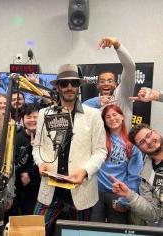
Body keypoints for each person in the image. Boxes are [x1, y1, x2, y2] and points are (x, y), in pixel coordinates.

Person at [33, 64, 107, 236]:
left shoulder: (93, 115)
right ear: (58, 86)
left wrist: (85, 171)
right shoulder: (44, 113)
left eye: (73, 83)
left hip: (80, 187)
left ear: (78, 86)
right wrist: (40, 163)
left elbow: (100, 151)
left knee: (77, 234)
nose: (69, 88)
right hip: (50, 188)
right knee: (36, 232)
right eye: (64, 84)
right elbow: (37, 147)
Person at [90, 104, 143, 224]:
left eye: (115, 114)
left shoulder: (132, 143)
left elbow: (135, 176)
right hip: (96, 193)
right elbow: (83, 109)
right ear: (104, 121)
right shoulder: (99, 138)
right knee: (94, 229)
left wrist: (125, 200)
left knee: (117, 229)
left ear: (122, 116)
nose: (112, 118)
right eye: (107, 117)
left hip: (118, 194)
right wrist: (99, 101)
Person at [112, 123, 163, 226]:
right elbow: (154, 214)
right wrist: (129, 195)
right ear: (139, 148)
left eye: (149, 135)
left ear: (155, 132)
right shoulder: (145, 175)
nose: (148, 142)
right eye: (142, 142)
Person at [84, 37, 135, 129]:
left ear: (116, 84)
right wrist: (97, 101)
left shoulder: (122, 95)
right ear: (97, 85)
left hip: (124, 142)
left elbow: (130, 67)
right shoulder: (93, 104)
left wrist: (117, 44)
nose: (106, 84)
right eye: (102, 81)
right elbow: (79, 111)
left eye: (110, 81)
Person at [12, 104, 41, 215]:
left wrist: (30, 175)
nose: (32, 120)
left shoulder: (46, 137)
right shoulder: (16, 136)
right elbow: (12, 162)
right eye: (28, 117)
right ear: (23, 119)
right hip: (17, 187)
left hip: (38, 187)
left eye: (35, 117)